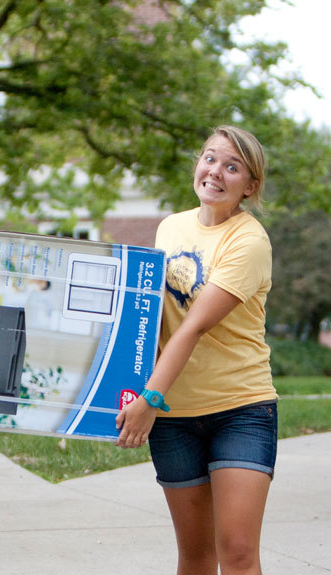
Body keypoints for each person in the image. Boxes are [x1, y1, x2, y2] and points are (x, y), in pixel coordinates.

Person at [115, 126, 277, 575]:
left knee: (238, 553)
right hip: (175, 416)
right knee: (195, 555)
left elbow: (194, 326)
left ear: (250, 186)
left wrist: (149, 397)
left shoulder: (249, 241)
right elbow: (149, 321)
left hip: (240, 409)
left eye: (232, 167)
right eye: (210, 159)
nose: (216, 172)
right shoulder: (170, 227)